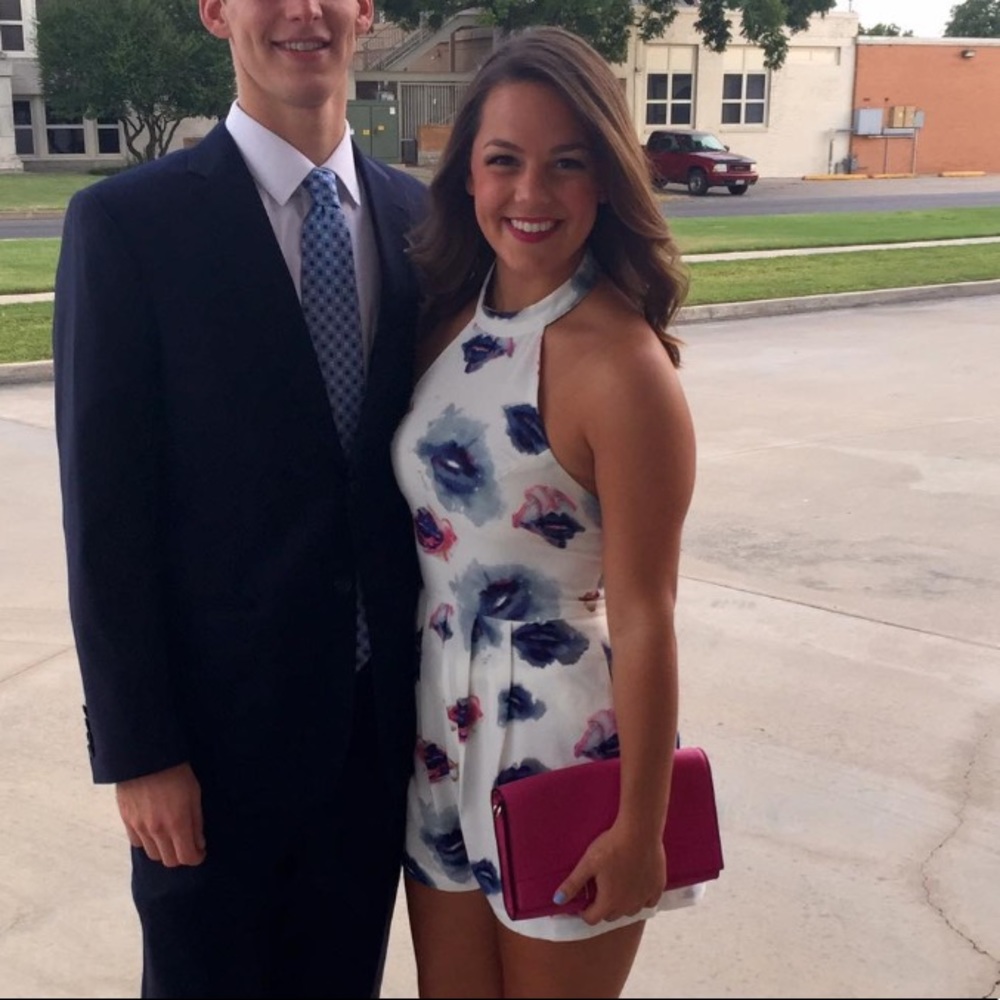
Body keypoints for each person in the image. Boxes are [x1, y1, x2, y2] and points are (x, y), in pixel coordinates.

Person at [51, 1, 426, 997]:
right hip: (210, 758)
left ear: (366, 11)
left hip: (378, 745)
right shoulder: (128, 226)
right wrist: (140, 752)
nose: (302, 11)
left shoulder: (425, 220)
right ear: (216, 10)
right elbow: (104, 518)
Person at [390, 24, 701, 1000]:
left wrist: (641, 827)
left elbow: (646, 614)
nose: (531, 193)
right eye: (504, 161)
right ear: (467, 175)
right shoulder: (447, 318)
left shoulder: (624, 368)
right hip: (437, 725)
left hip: (559, 740)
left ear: (605, 178)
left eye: (566, 163)